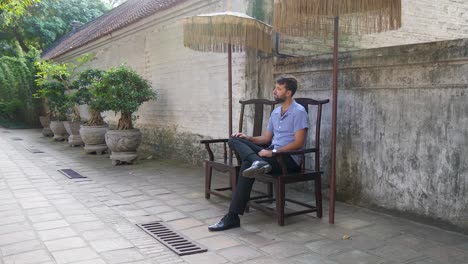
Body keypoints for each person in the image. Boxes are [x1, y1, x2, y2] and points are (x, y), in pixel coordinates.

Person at [208, 75, 309, 231]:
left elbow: (298, 143)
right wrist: (248, 138)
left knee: (247, 164)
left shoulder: (299, 111)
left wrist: (274, 152)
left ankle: (232, 217)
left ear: (288, 93)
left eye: (278, 89)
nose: (274, 91)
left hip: (287, 160)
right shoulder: (276, 112)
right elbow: (266, 138)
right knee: (234, 139)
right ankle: (257, 161)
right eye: (275, 88)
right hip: (270, 155)